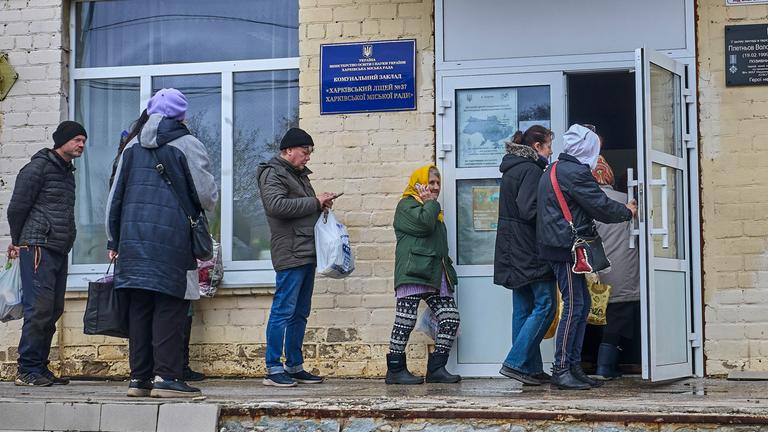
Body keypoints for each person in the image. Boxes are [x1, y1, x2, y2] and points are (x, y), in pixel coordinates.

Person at [107, 88, 218, 398]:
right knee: (170, 306)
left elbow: (114, 197)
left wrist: (113, 238)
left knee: (139, 308)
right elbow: (207, 197)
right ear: (181, 115)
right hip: (173, 240)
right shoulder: (188, 144)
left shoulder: (130, 147)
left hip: (132, 242)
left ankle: (139, 379)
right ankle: (167, 377)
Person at [536, 124, 637, 390]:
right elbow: (600, 205)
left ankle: (573, 366)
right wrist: (627, 211)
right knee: (573, 307)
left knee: (579, 305)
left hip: (560, 246)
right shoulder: (575, 173)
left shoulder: (557, 168)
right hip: (567, 249)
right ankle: (562, 368)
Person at [6, 121, 87, 386]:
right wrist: (18, 241)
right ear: (61, 141)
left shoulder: (66, 172)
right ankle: (27, 370)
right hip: (37, 245)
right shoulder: (37, 168)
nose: (81, 144)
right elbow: (17, 207)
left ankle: (39, 368)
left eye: (83, 141)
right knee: (39, 309)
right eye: (76, 139)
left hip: (58, 247)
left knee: (53, 309)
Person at [257, 127, 337, 387]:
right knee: (283, 310)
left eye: (310, 152)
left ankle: (294, 365)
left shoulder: (299, 175)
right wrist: (315, 202)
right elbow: (276, 206)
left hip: (305, 249)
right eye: (305, 152)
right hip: (290, 251)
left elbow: (302, 207)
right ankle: (272, 367)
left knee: (300, 312)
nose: (308, 157)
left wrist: (320, 204)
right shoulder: (273, 173)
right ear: (288, 150)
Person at [386, 165, 461, 385]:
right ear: (419, 184)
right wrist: (429, 202)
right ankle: (395, 370)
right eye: (431, 182)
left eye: (438, 183)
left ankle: (437, 368)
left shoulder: (433, 210)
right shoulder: (406, 206)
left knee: (450, 318)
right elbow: (424, 226)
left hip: (434, 273)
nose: (435, 187)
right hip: (413, 271)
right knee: (405, 321)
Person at [494, 126, 557, 386]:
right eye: (549, 145)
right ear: (537, 146)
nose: (552, 151)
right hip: (528, 247)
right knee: (545, 305)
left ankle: (530, 368)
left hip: (511, 246)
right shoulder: (531, 169)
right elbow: (528, 209)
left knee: (523, 308)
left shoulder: (513, 167)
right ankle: (516, 362)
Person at [590, 155, 640, 380]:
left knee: (593, 317)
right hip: (624, 267)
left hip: (595, 271)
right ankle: (605, 367)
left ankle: (592, 363)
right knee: (618, 316)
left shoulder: (585, 202)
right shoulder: (627, 200)